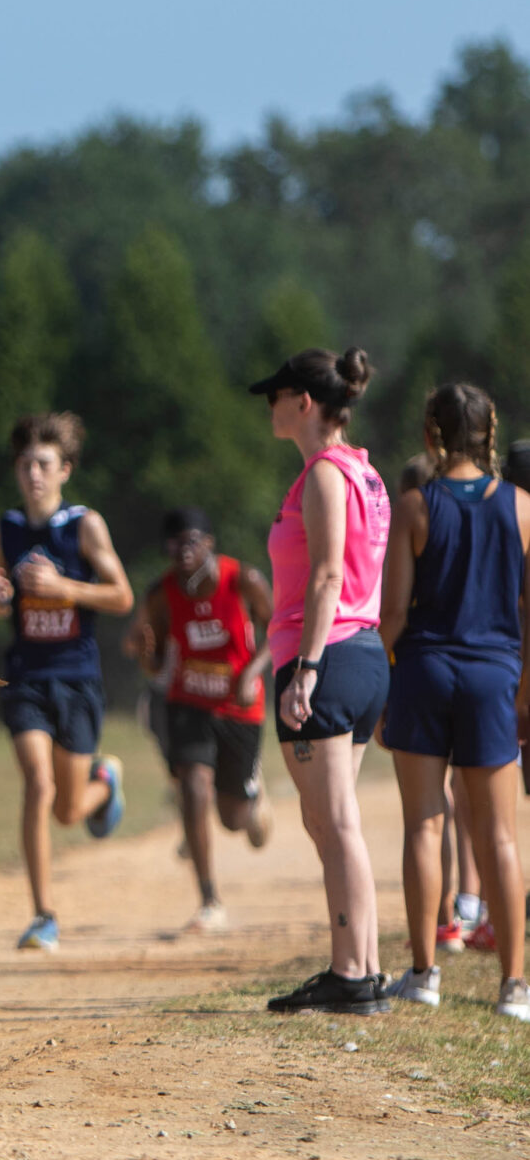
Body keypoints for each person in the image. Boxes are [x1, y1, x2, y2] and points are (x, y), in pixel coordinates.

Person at [377, 383, 530, 1019]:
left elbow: (391, 615)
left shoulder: (414, 506)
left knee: (423, 823)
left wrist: (388, 684)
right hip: (494, 673)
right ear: (490, 431)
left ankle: (424, 973)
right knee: (498, 834)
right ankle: (514, 986)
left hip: (426, 670)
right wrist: (523, 689)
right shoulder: (522, 507)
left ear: (430, 435)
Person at [249, 348, 391, 1015]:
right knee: (331, 820)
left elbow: (329, 575)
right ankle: (359, 967)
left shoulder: (326, 475)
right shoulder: (361, 472)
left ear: (303, 402)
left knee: (334, 823)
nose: (268, 407)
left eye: (274, 395)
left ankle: (355, 973)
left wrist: (304, 669)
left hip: (329, 656)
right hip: (358, 655)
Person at [0, 412, 133, 953]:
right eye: (24, 465)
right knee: (37, 787)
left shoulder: (84, 526)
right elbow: (5, 604)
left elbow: (121, 596)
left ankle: (104, 782)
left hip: (76, 677)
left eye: (43, 464)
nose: (33, 475)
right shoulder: (3, 529)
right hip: (24, 676)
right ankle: (44, 915)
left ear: (64, 469)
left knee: (68, 810)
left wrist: (64, 586)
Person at [133, 507, 275, 933]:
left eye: (192, 540)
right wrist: (145, 653)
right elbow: (156, 663)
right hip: (189, 704)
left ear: (210, 542)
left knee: (232, 819)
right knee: (193, 788)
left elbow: (279, 629)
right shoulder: (161, 593)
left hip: (239, 707)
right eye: (174, 543)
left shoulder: (242, 580)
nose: (183, 550)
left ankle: (253, 798)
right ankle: (209, 900)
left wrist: (252, 672)